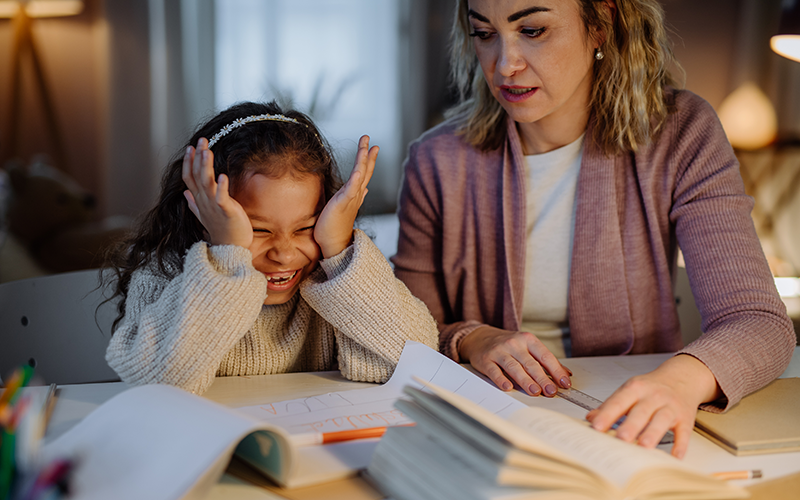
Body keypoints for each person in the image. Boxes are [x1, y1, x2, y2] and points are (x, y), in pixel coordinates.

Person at [392, 0, 796, 458]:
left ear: (600, 24)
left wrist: (682, 379)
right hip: (480, 426)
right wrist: (473, 338)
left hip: (623, 420)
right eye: (484, 33)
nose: (505, 64)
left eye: (533, 30)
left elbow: (758, 322)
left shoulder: (681, 133)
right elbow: (405, 329)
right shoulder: (436, 159)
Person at [105, 101, 438, 395]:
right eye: (257, 229)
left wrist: (338, 248)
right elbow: (154, 385)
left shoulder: (342, 278)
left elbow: (418, 362)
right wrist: (227, 256)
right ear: (202, 215)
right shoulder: (164, 276)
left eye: (306, 227)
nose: (284, 253)